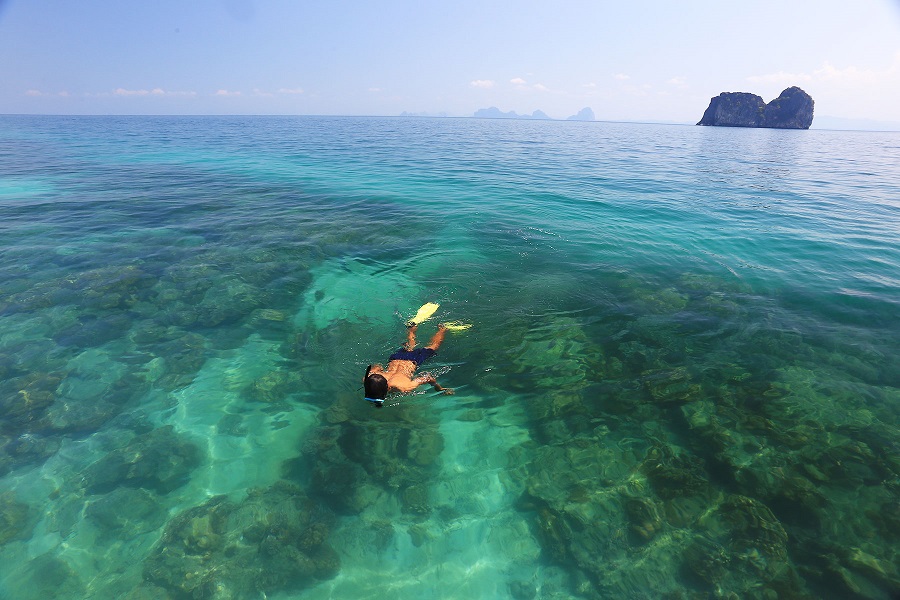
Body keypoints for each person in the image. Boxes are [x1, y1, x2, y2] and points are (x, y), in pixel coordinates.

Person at [363, 323, 453, 407]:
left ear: (388, 388)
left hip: (412, 360)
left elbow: (428, 378)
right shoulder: (369, 379)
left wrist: (439, 388)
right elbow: (376, 367)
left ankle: (442, 329)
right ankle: (411, 329)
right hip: (395, 358)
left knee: (433, 346)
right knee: (409, 348)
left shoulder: (404, 387)